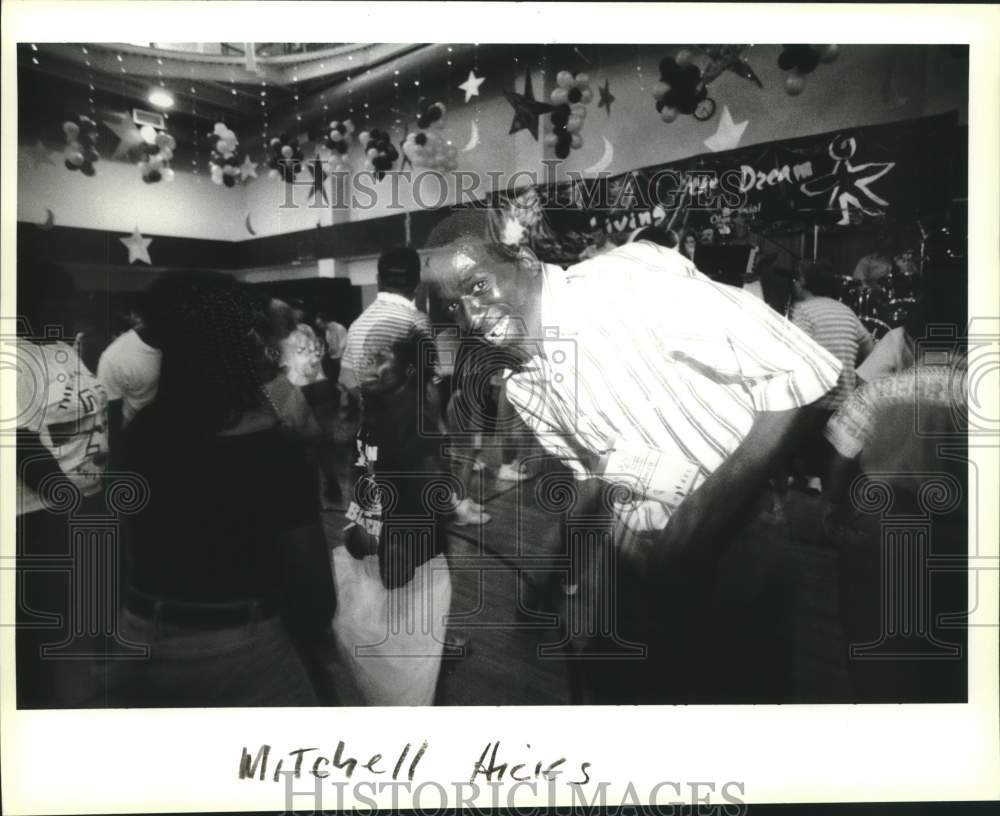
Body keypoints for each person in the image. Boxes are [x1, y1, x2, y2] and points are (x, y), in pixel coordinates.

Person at [424, 208, 842, 702]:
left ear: (527, 260)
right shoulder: (523, 383)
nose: (471, 317)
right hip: (637, 556)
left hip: (739, 546)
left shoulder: (622, 287)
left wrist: (699, 521)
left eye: (477, 286)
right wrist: (557, 566)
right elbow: (601, 473)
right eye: (454, 306)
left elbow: (805, 375)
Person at [111, 274, 336, 706]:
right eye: (257, 335)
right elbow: (314, 596)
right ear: (239, 346)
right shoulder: (269, 447)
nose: (268, 349)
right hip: (239, 645)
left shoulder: (142, 431)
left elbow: (127, 546)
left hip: (139, 634)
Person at [332, 310, 455, 704]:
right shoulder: (379, 405)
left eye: (381, 356)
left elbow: (427, 486)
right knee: (398, 623)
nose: (368, 363)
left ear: (408, 367)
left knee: (406, 619)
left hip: (404, 538)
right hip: (385, 530)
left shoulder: (413, 413)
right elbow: (366, 468)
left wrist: (395, 540)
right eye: (367, 354)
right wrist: (359, 516)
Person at [15, 263, 110, 708]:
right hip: (39, 516)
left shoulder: (61, 348)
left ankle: (97, 691)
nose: (78, 304)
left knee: (85, 613)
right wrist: (73, 508)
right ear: (33, 301)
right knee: (43, 631)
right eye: (66, 296)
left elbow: (92, 414)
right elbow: (21, 446)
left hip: (84, 501)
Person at [341, 246, 488, 525]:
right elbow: (429, 393)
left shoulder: (358, 324)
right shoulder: (417, 323)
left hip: (370, 443)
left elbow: (347, 381)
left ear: (379, 278)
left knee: (374, 523)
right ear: (416, 282)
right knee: (418, 532)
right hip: (409, 448)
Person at [789, 259, 876, 491]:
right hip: (843, 403)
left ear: (804, 284)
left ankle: (806, 476)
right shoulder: (846, 311)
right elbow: (868, 345)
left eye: (796, 280)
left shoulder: (802, 310)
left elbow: (796, 350)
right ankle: (822, 473)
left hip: (815, 403)